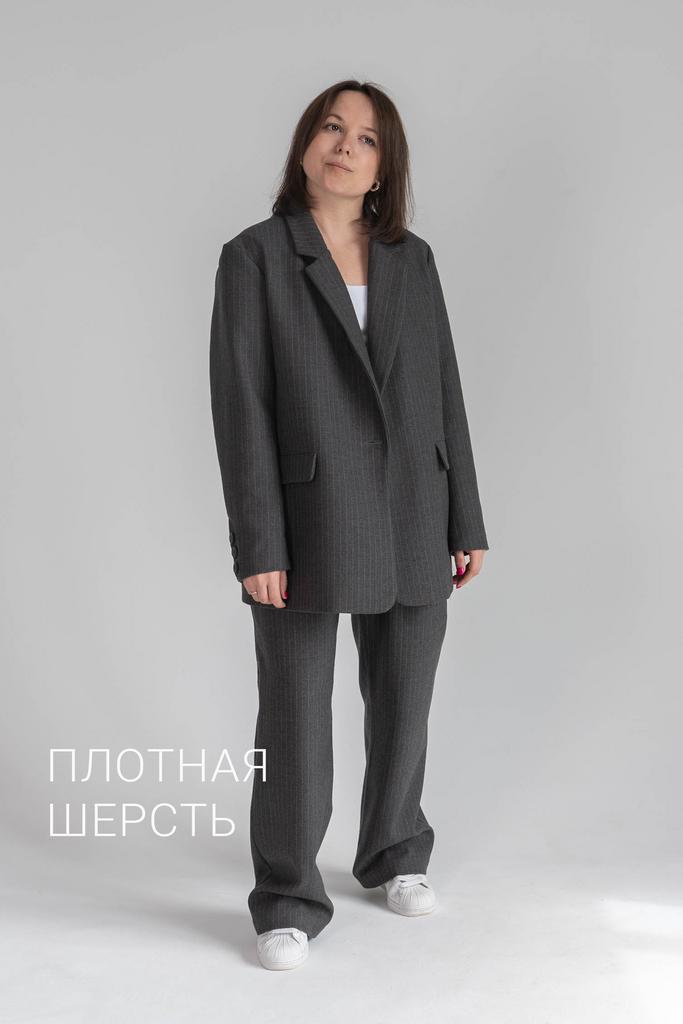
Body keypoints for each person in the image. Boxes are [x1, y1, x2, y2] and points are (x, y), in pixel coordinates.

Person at [209, 79, 489, 970]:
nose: (344, 146)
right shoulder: (255, 257)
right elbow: (241, 407)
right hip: (305, 515)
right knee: (294, 712)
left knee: (405, 696)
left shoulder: (412, 259)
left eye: (366, 138)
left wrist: (466, 515)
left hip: (415, 506)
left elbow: (444, 389)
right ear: (305, 144)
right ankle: (287, 896)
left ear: (382, 167)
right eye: (331, 127)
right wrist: (259, 543)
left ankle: (395, 851)